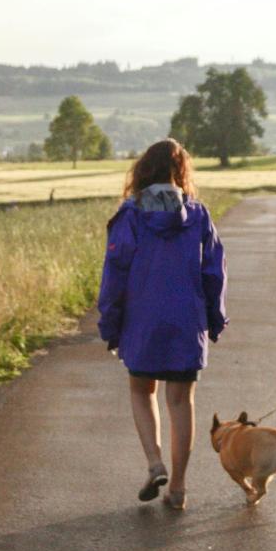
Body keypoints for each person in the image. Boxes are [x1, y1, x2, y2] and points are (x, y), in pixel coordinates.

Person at [98, 138, 227, 510]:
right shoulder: (198, 215)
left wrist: (110, 323)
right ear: (180, 171)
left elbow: (115, 274)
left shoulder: (130, 215)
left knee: (142, 391)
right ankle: (179, 488)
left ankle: (155, 463)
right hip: (186, 322)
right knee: (181, 401)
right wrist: (214, 320)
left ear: (143, 171)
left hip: (142, 322)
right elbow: (214, 273)